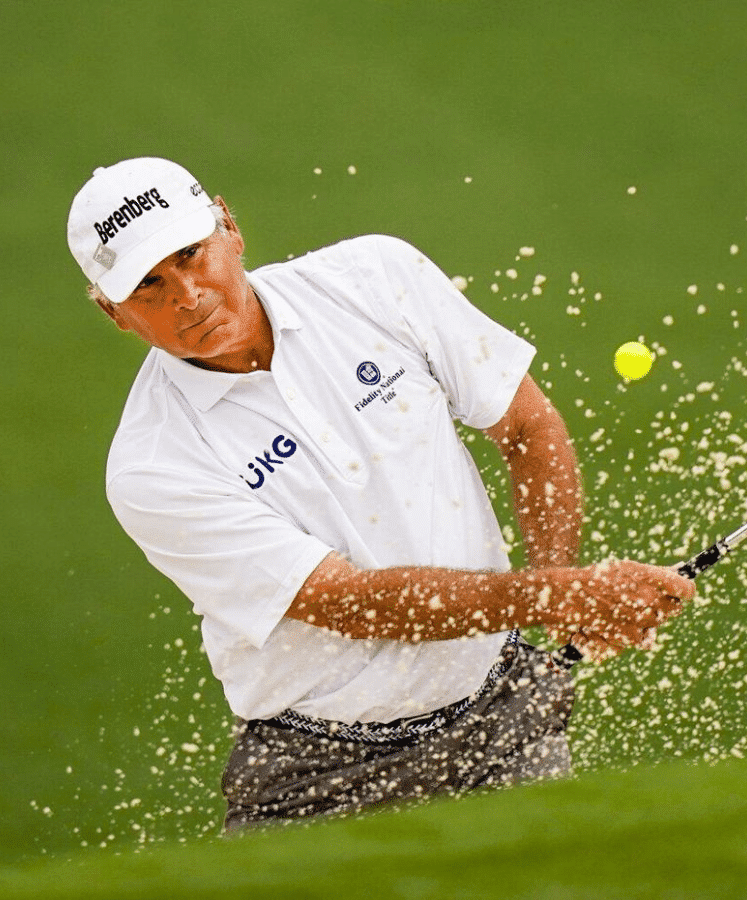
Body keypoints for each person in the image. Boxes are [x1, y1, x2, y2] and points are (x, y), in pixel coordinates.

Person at [67, 157, 694, 830]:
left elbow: (525, 427)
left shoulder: (374, 279)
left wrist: (555, 577)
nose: (188, 294)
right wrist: (554, 596)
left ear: (230, 226)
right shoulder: (153, 466)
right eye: (149, 286)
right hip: (325, 778)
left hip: (502, 715)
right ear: (115, 314)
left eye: (191, 255)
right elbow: (357, 604)